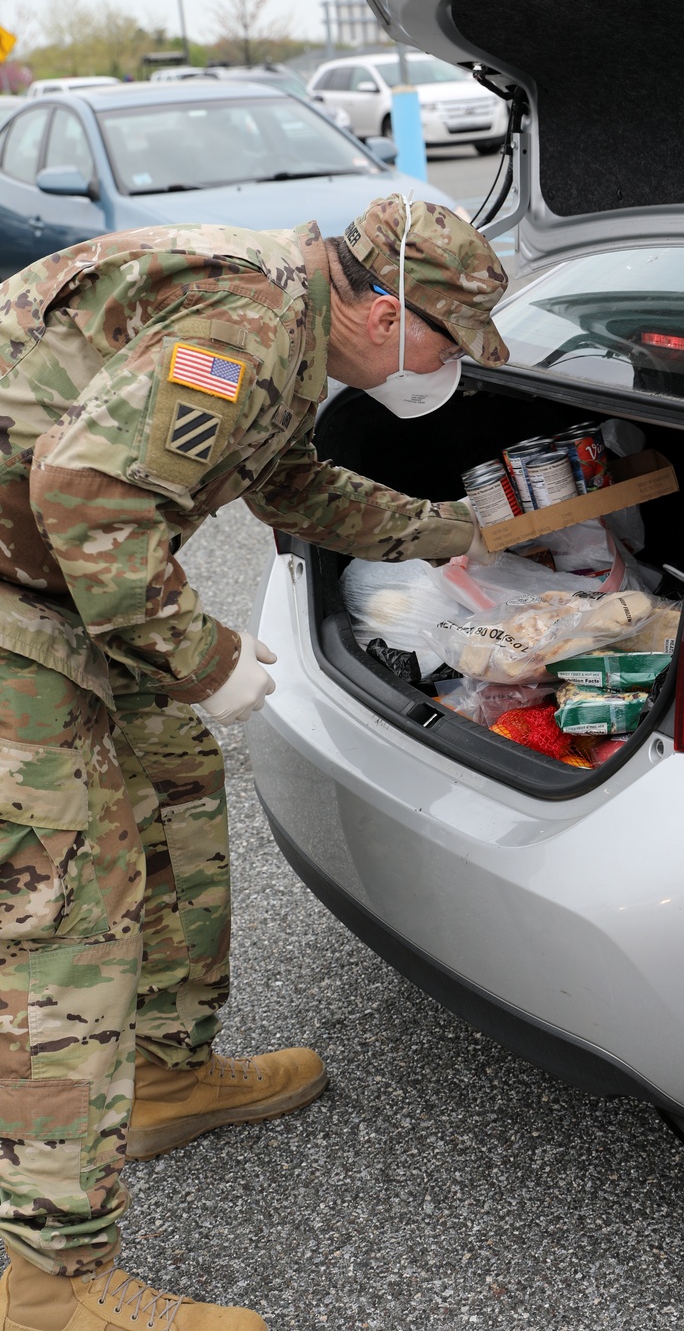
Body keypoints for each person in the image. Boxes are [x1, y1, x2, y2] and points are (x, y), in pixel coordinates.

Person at [0, 196, 508, 1331]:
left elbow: (287, 483)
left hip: (58, 581)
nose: (449, 371)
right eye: (450, 341)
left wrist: (456, 535)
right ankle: (49, 1284)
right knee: (67, 916)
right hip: (21, 594)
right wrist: (204, 654)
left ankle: (166, 1074)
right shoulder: (246, 320)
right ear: (384, 306)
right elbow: (85, 497)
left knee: (177, 777)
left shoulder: (293, 324)